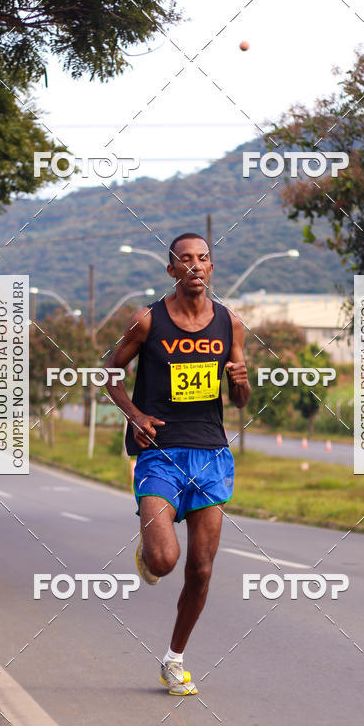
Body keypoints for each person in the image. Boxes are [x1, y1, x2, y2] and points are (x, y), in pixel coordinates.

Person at [106, 233, 250, 695]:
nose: (194, 266)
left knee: (202, 570)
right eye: (185, 260)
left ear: (212, 268)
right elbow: (110, 373)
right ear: (171, 270)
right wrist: (136, 414)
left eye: (202, 259)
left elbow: (241, 399)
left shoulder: (231, 324)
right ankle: (148, 550)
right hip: (160, 452)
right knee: (165, 560)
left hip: (212, 454)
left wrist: (241, 381)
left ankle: (174, 660)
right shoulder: (147, 321)